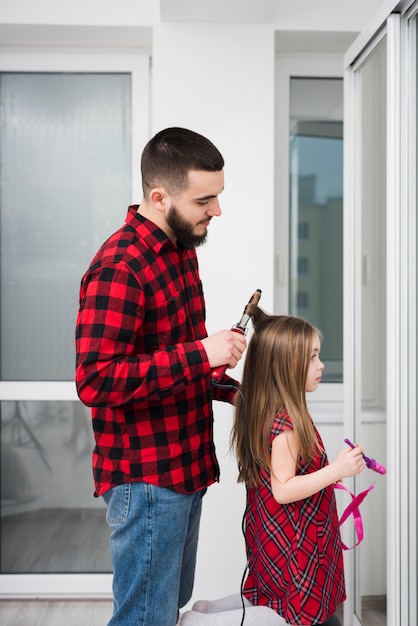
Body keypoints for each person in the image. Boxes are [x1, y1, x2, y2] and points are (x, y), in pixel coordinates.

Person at [75, 127, 247, 626]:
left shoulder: (181, 249)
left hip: (184, 467)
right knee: (145, 618)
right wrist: (200, 353)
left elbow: (174, 362)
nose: (217, 210)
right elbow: (97, 381)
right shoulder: (120, 266)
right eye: (205, 199)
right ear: (159, 196)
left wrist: (238, 390)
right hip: (147, 477)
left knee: (164, 611)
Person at [182, 307, 365, 626]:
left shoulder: (267, 409)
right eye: (312, 358)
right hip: (294, 549)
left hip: (278, 539)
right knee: (289, 611)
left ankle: (204, 611)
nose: (320, 365)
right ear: (286, 366)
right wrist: (338, 469)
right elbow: (283, 489)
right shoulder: (287, 425)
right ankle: (197, 622)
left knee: (279, 600)